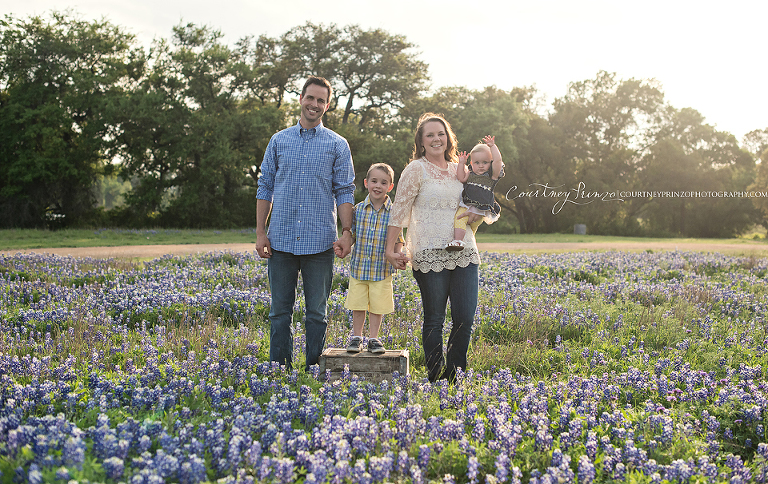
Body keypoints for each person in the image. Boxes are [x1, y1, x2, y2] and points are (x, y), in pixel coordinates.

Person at [256, 76, 355, 371]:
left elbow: (344, 190)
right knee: (279, 312)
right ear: (300, 99)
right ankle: (279, 370)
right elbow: (265, 188)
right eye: (310, 98)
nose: (315, 104)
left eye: (321, 100)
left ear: (327, 105)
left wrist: (347, 232)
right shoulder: (279, 140)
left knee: (316, 313)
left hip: (321, 241)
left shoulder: (337, 144)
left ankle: (315, 368)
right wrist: (261, 232)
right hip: (281, 239)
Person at [384, 113, 482, 383]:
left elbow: (478, 200)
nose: (437, 138)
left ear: (448, 137)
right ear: (422, 141)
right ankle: (436, 377)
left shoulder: (460, 169)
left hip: (464, 252)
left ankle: (455, 376)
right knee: (435, 319)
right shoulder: (417, 169)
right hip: (429, 253)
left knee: (464, 320)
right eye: (430, 135)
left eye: (441, 133)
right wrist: (390, 249)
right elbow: (399, 211)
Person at [340, 163, 404, 354]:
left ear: (390, 187)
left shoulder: (395, 213)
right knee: (358, 305)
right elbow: (353, 236)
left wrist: (397, 255)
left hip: (382, 269)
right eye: (374, 181)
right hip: (359, 267)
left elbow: (398, 239)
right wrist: (345, 245)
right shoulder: (358, 210)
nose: (378, 185)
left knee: (378, 306)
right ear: (366, 183)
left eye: (383, 182)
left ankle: (374, 338)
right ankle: (357, 337)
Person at [446, 135, 505, 251]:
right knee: (463, 224)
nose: (481, 165)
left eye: (485, 162)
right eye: (477, 162)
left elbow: (498, 160)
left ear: (491, 163)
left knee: (464, 223)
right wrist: (461, 163)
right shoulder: (470, 173)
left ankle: (461, 242)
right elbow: (461, 178)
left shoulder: (491, 176)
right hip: (467, 206)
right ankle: (461, 242)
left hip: (481, 210)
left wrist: (493, 147)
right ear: (472, 163)